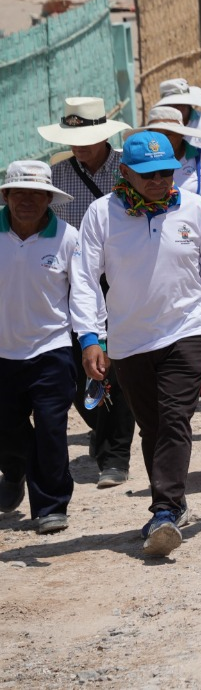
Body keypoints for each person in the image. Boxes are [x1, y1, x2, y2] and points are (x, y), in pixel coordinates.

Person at [70, 130, 201, 556]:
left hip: (185, 332)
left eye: (165, 173)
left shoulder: (195, 209)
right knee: (153, 427)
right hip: (128, 341)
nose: (158, 181)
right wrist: (90, 336)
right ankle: (175, 501)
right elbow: (86, 279)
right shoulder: (100, 214)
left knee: (174, 419)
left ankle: (163, 510)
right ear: (124, 172)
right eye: (147, 174)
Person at [37, 97, 137, 488]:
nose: (80, 144)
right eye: (73, 137)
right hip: (71, 280)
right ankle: (104, 430)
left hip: (121, 276)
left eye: (87, 136)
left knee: (116, 360)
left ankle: (115, 454)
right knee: (79, 362)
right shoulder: (56, 176)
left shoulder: (129, 171)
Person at [0, 161, 80, 535]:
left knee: (51, 428)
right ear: (6, 196)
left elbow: (84, 295)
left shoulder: (68, 238)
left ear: (49, 198)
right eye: (19, 192)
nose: (27, 201)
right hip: (2, 355)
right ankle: (14, 472)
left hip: (52, 349)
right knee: (7, 430)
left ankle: (51, 505)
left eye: (35, 194)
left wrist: (95, 341)